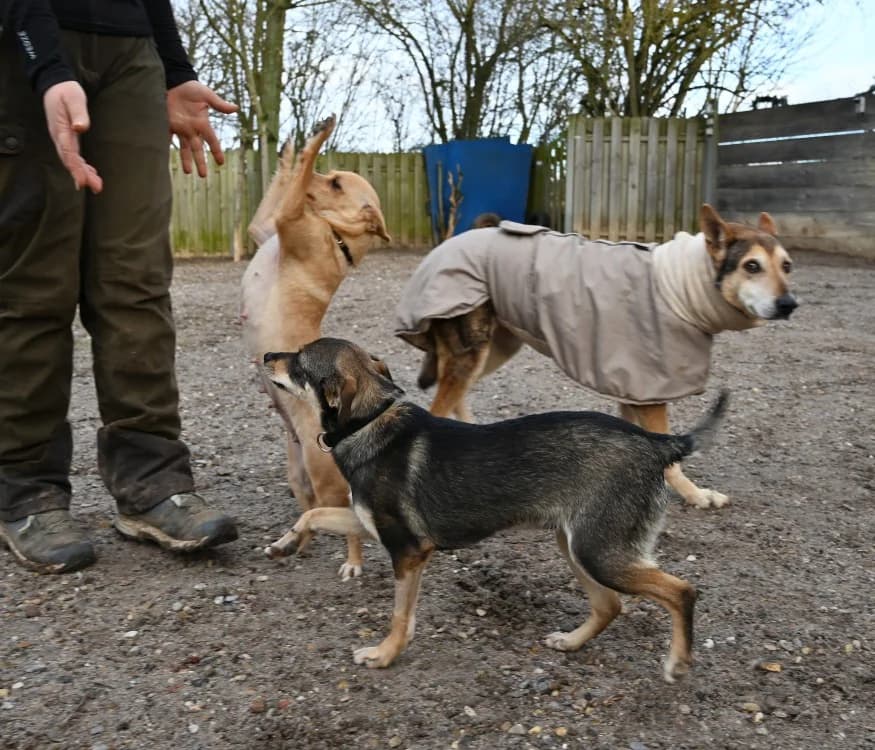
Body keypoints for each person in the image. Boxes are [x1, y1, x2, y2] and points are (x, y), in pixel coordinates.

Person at [0, 0, 240, 573]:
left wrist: (176, 71)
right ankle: (26, 489)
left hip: (132, 51)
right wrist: (47, 65)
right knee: (36, 284)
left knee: (136, 281)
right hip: (23, 35)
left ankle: (152, 481)